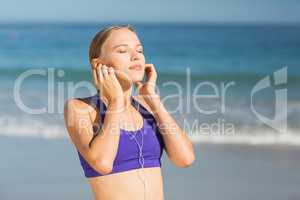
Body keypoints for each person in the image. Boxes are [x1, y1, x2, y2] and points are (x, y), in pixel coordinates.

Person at [64, 24, 195, 200]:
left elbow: (185, 158)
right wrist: (116, 102)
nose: (135, 56)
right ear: (98, 64)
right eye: (122, 51)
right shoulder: (80, 109)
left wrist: (153, 100)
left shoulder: (147, 106)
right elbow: (102, 163)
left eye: (139, 50)